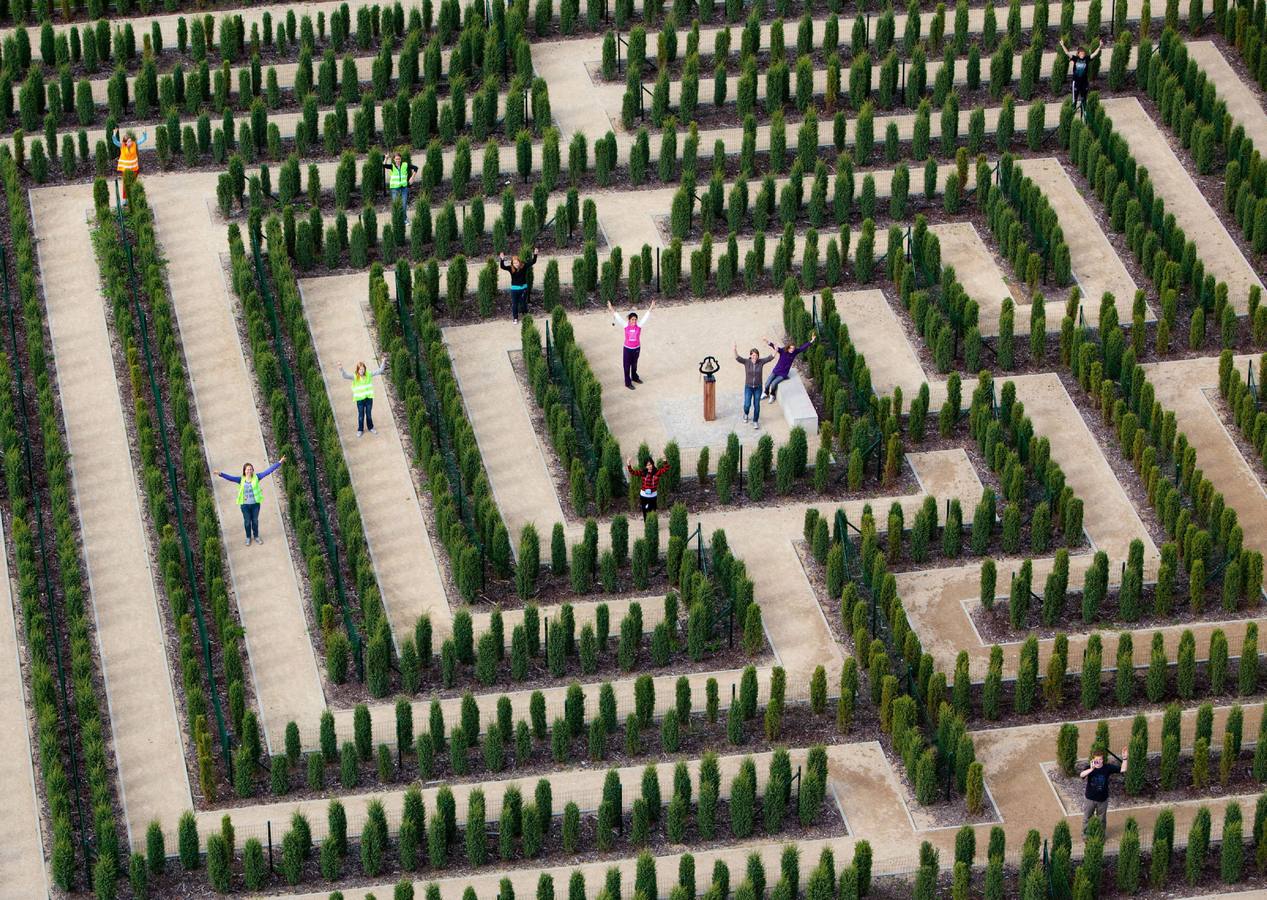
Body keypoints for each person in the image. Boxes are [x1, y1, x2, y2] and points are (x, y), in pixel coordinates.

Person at [214, 457, 286, 546]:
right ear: (244, 471)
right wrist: (220, 474)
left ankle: (256, 536)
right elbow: (230, 478)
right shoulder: (240, 479)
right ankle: (248, 537)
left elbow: (268, 471)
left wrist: (279, 462)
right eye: (247, 469)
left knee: (255, 521)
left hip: (255, 505)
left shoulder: (257, 477)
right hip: (245, 506)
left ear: (253, 470)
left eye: (250, 469)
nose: (249, 471)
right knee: (247, 522)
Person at [1079, 746, 1128, 836]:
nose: (1098, 762)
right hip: (1090, 799)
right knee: (1087, 818)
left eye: (1100, 759)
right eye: (1096, 760)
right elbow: (1082, 775)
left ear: (1103, 759)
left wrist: (1125, 759)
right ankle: (1085, 835)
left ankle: (1101, 836)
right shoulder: (1089, 768)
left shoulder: (1107, 768)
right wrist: (1091, 769)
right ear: (1093, 760)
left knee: (1101, 819)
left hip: (1103, 800)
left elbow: (1123, 769)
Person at [608, 299, 656, 390]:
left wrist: (651, 307)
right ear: (629, 320)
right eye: (632, 319)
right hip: (627, 349)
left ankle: (634, 377)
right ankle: (628, 383)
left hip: (636, 349)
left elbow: (646, 316)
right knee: (626, 366)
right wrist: (611, 307)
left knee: (634, 365)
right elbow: (617, 316)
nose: (634, 321)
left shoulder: (639, 325)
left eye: (635, 319)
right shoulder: (625, 325)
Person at [338, 358, 388, 436]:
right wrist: (341, 369)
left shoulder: (369, 374)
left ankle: (371, 427)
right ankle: (360, 429)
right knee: (361, 415)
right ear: (357, 370)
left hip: (368, 399)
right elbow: (345, 376)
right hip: (360, 400)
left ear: (365, 369)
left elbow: (380, 371)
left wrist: (383, 362)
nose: (361, 371)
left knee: (369, 414)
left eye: (363, 369)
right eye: (360, 369)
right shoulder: (355, 376)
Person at [763, 332, 816, 401]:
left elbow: (803, 348)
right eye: (791, 348)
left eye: (793, 348)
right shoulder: (782, 351)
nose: (792, 350)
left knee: (773, 384)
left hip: (783, 373)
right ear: (788, 348)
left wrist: (811, 341)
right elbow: (774, 346)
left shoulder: (795, 352)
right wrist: (767, 341)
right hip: (776, 370)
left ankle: (772, 395)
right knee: (767, 383)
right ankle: (766, 393)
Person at [735, 343, 774, 429]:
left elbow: (770, 358)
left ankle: (755, 421)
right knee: (747, 404)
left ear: (758, 356)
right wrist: (735, 350)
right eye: (753, 355)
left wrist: (775, 350)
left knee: (757, 405)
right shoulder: (746, 362)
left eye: (756, 355)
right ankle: (746, 414)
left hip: (758, 387)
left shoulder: (761, 362)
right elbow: (738, 358)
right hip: (748, 387)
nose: (754, 357)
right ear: (750, 355)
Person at [1061, 39, 1101, 113]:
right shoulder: (1075, 59)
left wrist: (1100, 46)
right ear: (1078, 54)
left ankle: (1084, 108)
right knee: (1075, 97)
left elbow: (1094, 54)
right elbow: (1067, 53)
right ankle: (1073, 108)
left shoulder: (1087, 59)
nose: (1083, 54)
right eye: (1081, 53)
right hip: (1076, 82)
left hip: (1084, 82)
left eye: (1083, 53)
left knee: (1084, 97)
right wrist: (1062, 45)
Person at [499, 249, 538, 322]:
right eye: (514, 263)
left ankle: (525, 314)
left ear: (519, 262)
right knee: (515, 304)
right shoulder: (511, 268)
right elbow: (502, 266)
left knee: (523, 304)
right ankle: (515, 318)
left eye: (517, 262)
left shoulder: (524, 266)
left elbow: (533, 261)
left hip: (523, 289)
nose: (516, 264)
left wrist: (535, 254)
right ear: (512, 264)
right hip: (514, 290)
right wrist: (502, 259)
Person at [112, 129, 148, 202]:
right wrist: (114, 134)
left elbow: (143, 140)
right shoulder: (122, 146)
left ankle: (133, 195)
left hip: (134, 168)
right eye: (129, 141)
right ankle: (125, 199)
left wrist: (144, 133)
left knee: (133, 183)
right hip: (126, 170)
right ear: (125, 142)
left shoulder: (134, 144)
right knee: (125, 184)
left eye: (131, 141)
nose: (130, 142)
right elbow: (115, 142)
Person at [383, 152, 419, 225]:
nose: (398, 160)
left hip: (404, 188)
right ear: (394, 160)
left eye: (399, 159)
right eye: (396, 159)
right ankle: (396, 219)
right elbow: (384, 165)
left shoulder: (405, 165)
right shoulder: (392, 166)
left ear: (401, 159)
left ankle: (404, 219)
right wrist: (386, 158)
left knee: (404, 204)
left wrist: (412, 177)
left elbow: (416, 168)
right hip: (394, 188)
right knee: (396, 204)